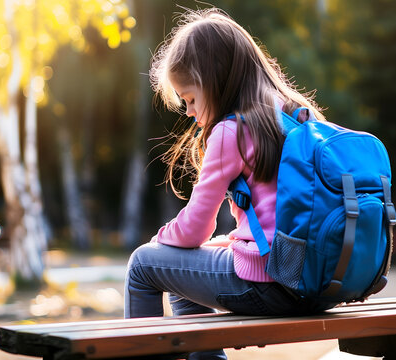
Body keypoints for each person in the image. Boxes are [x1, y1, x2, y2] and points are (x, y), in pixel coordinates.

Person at [124, 8, 326, 359]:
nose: (188, 112)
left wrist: (162, 239)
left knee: (145, 264)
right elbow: (279, 214)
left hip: (271, 285)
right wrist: (231, 242)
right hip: (316, 281)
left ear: (211, 82)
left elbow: (193, 230)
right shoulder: (296, 114)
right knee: (180, 272)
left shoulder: (231, 131)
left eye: (189, 99)